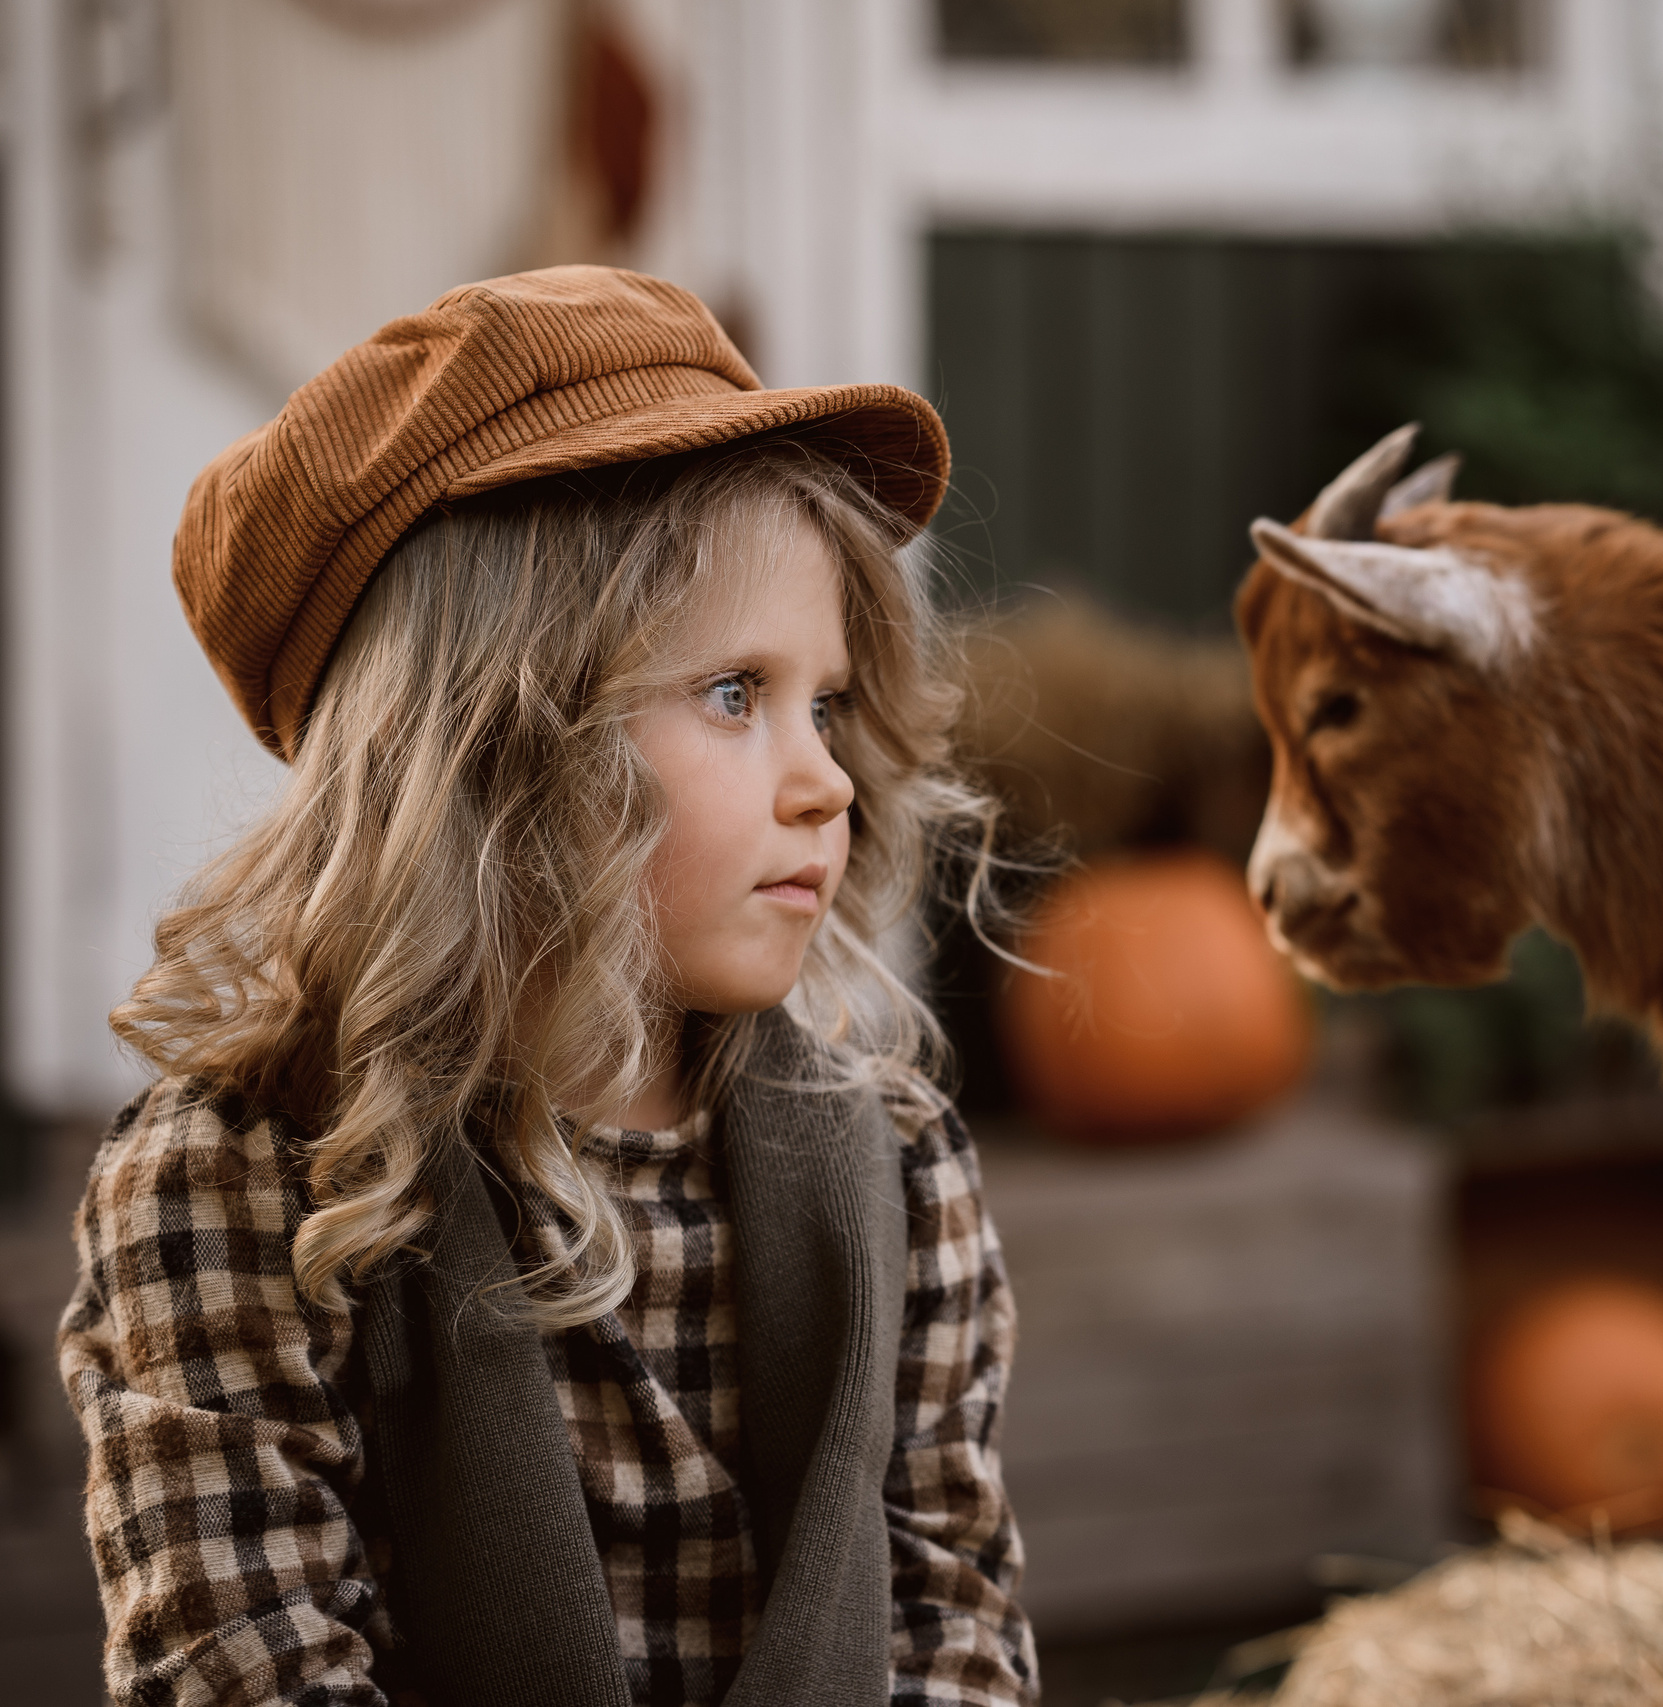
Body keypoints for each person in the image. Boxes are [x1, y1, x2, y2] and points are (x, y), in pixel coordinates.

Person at [54, 267, 1035, 1707]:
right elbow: (245, 1666)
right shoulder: (240, 1188)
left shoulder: (897, 1164)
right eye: (734, 695)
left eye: (825, 703)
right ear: (490, 746)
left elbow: (951, 1625)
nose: (826, 779)